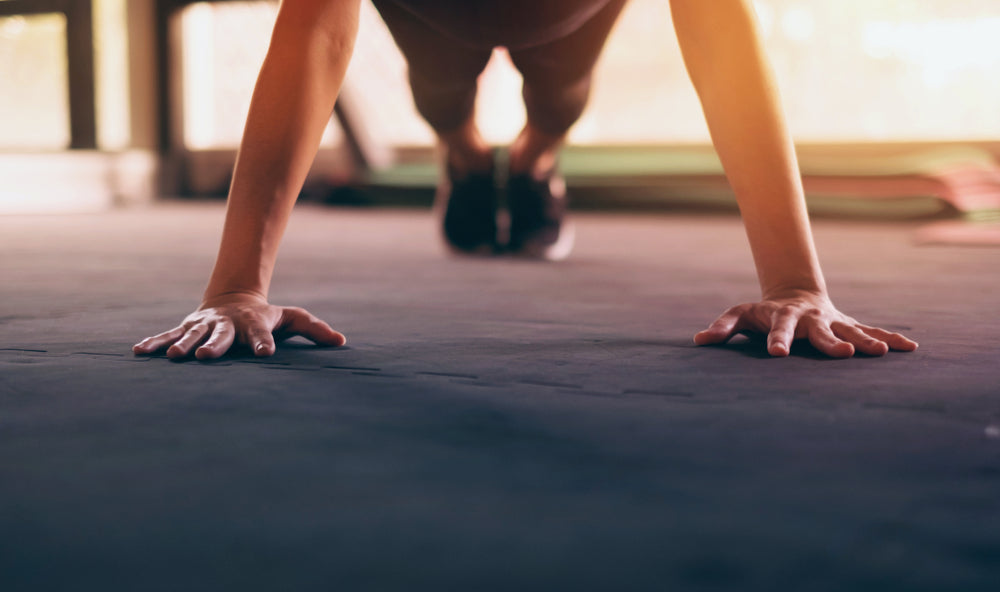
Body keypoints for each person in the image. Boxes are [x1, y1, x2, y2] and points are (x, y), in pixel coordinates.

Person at [133, 0, 918, 361]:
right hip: (437, 13)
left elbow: (716, 27)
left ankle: (536, 160)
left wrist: (796, 280)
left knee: (558, 97)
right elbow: (315, 27)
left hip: (567, 13)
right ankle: (467, 157)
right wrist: (236, 285)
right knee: (441, 96)